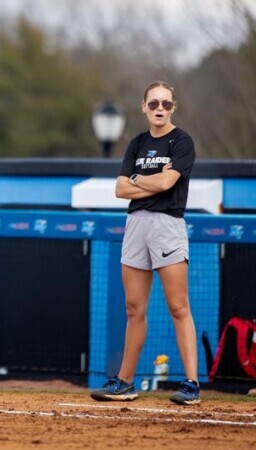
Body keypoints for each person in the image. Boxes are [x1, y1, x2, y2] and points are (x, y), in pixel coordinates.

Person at [91, 80, 200, 406]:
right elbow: (121, 189)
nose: (159, 109)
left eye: (166, 104)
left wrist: (140, 181)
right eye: (153, 103)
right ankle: (124, 383)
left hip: (167, 225)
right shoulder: (137, 143)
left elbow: (169, 182)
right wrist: (145, 181)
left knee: (178, 307)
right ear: (143, 106)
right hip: (136, 224)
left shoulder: (181, 141)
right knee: (133, 308)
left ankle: (192, 383)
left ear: (173, 107)